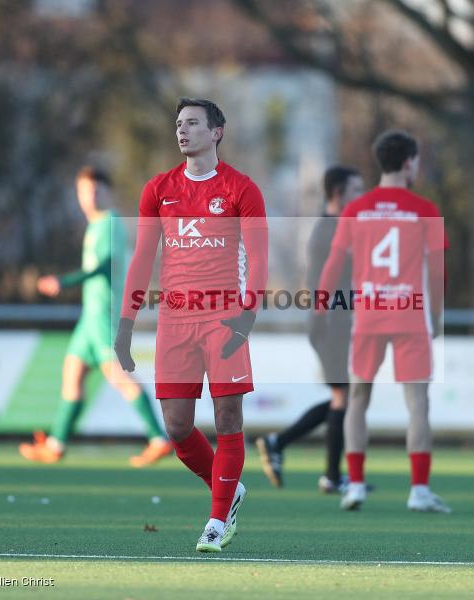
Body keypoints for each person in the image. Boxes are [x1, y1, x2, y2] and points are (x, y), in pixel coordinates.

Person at [114, 98, 269, 553]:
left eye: (193, 124)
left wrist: (247, 315)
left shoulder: (242, 188)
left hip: (224, 319)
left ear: (217, 131)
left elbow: (259, 257)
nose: (182, 131)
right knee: (177, 427)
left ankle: (218, 520)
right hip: (176, 322)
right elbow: (143, 258)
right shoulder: (158, 189)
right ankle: (228, 487)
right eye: (179, 124)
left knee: (228, 419)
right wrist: (125, 325)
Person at [316, 130, 450, 513]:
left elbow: (333, 264)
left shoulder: (355, 210)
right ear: (409, 162)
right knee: (418, 402)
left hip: (369, 315)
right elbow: (439, 272)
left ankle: (355, 485)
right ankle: (419, 491)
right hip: (410, 315)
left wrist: (321, 310)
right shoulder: (424, 210)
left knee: (358, 397)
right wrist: (436, 316)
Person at [19, 167, 172, 467]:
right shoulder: (94, 226)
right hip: (89, 317)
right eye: (84, 191)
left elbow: (105, 266)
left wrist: (64, 282)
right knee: (72, 372)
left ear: (107, 192)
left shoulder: (111, 222)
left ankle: (159, 439)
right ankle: (56, 444)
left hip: (104, 313)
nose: (90, 196)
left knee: (117, 375)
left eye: (96, 190)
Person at [255, 165, 363, 493]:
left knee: (342, 398)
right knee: (345, 397)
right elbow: (324, 285)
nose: (362, 197)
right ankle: (330, 475)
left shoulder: (334, 227)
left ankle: (280, 444)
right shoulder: (331, 230)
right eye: (357, 190)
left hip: (333, 322)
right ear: (339, 194)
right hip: (332, 323)